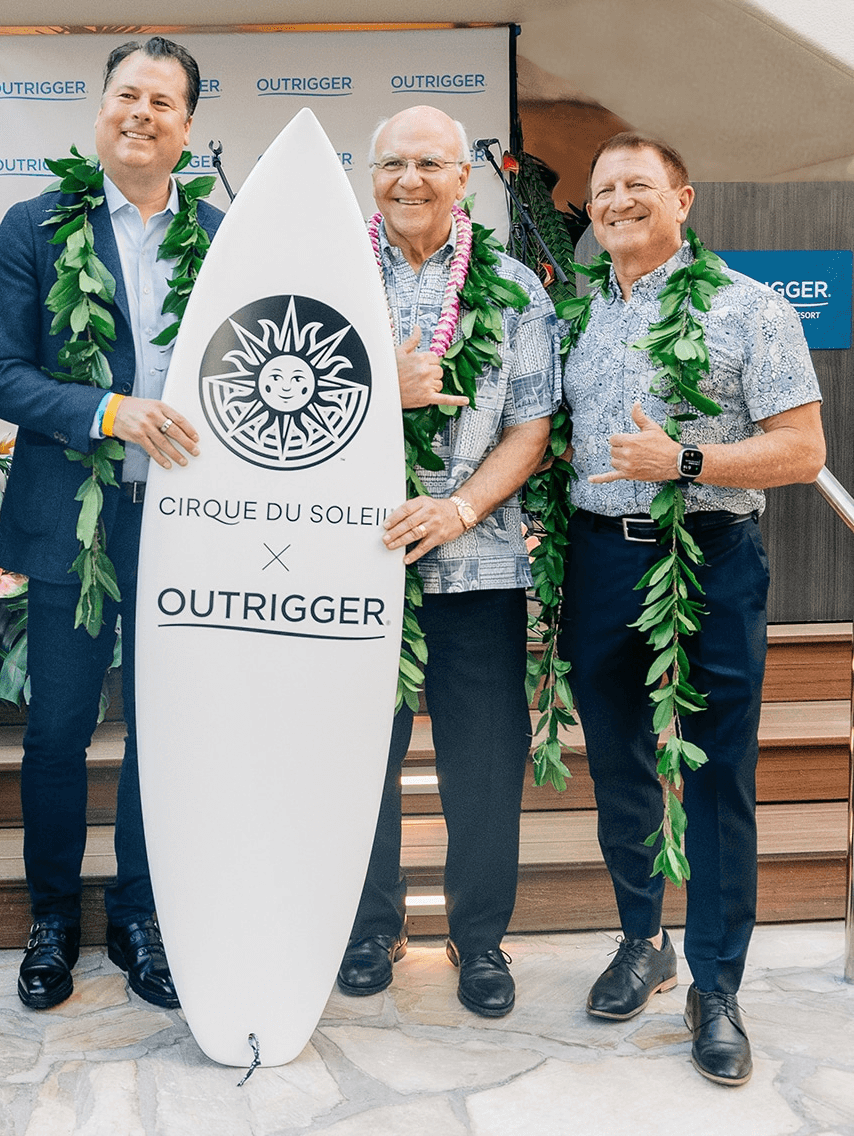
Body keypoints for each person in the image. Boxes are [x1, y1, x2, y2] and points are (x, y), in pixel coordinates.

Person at [561, 132, 824, 1085]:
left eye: (639, 184)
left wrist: (686, 459)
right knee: (621, 763)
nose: (617, 201)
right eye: (603, 189)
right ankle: (644, 940)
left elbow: (802, 449)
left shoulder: (751, 308)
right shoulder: (578, 314)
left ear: (683, 199)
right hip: (600, 561)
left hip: (713, 558)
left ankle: (717, 985)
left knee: (716, 775)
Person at [0, 36, 223, 1011]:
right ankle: (51, 919)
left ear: (187, 126)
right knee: (59, 729)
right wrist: (110, 411)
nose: (141, 113)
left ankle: (140, 915)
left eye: (163, 101)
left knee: (166, 727)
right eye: (128, 94)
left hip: (187, 524)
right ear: (101, 108)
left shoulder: (221, 236)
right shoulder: (34, 227)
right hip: (70, 521)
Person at [337, 105, 558, 1018]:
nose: (409, 180)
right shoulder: (329, 276)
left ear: (464, 178)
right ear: (371, 176)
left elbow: (531, 427)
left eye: (430, 163)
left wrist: (460, 507)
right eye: (392, 163)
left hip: (480, 563)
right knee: (359, 755)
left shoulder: (514, 289)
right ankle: (368, 926)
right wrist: (379, 388)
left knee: (484, 762)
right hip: (353, 561)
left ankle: (480, 937)